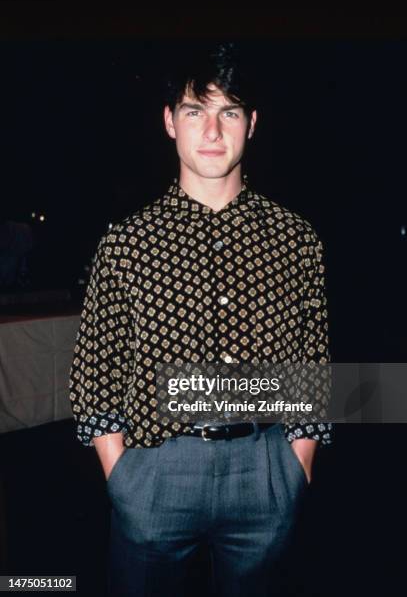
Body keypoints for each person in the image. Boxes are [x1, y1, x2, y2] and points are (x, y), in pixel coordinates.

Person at [69, 42, 332, 597]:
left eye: (228, 111)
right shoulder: (127, 241)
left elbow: (312, 365)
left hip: (264, 471)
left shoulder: (295, 238)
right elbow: (95, 368)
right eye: (195, 111)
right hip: (155, 471)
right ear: (170, 122)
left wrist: (296, 468)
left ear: (251, 124)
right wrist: (122, 478)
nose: (212, 130)